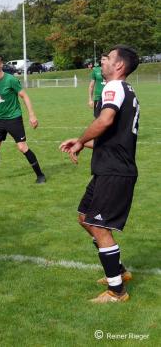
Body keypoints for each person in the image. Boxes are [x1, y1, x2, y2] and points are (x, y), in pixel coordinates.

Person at [60, 45, 140, 303]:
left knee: (97, 225)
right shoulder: (126, 90)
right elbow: (113, 137)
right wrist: (83, 142)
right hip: (109, 167)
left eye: (107, 58)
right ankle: (118, 271)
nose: (102, 61)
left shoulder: (114, 87)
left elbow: (105, 120)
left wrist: (82, 140)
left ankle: (116, 292)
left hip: (115, 171)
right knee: (85, 218)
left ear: (119, 66)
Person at [0, 55, 46, 184]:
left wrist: (32, 115)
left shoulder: (10, 80)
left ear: (1, 65)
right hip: (0, 120)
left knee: (22, 147)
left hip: (14, 118)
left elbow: (24, 96)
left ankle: (40, 175)